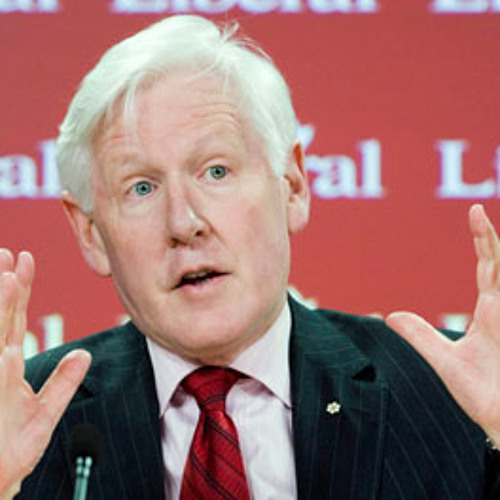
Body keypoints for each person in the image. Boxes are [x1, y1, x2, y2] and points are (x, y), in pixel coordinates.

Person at [0, 15, 499, 499]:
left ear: (293, 185)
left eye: (216, 171)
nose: (184, 224)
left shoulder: (456, 402)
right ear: (90, 233)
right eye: (142, 188)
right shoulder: (24, 427)